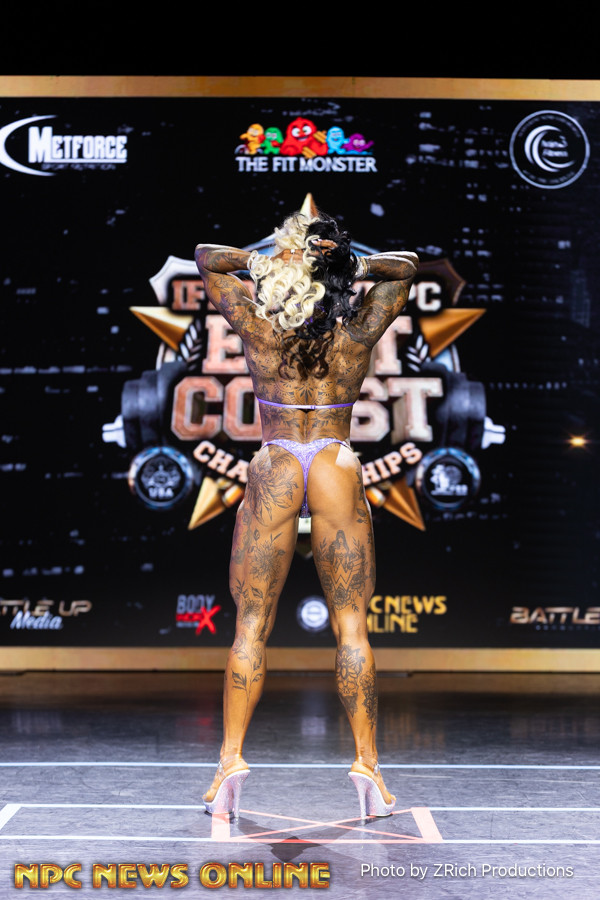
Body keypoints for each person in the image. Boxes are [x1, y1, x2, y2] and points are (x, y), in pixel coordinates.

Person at [194, 208, 418, 820]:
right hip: (333, 460)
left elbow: (207, 257)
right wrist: (347, 263)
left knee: (250, 625)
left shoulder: (259, 324)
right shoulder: (355, 330)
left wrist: (266, 260)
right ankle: (367, 765)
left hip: (277, 461)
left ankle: (230, 762)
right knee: (352, 627)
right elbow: (405, 269)